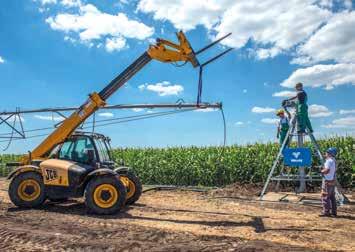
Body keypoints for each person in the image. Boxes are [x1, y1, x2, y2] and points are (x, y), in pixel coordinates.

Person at [319, 147, 337, 217]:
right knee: (332, 197)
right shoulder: (333, 160)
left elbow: (327, 170)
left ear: (329, 154)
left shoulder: (328, 161)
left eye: (327, 152)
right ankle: (334, 212)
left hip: (327, 180)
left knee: (325, 196)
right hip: (332, 180)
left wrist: (321, 171)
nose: (325, 153)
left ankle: (326, 212)